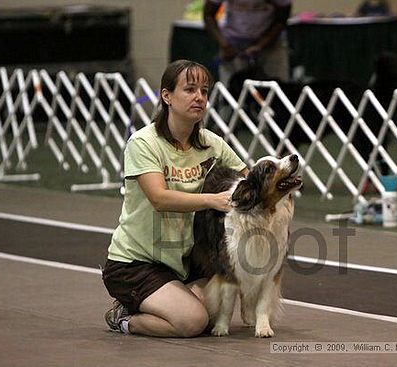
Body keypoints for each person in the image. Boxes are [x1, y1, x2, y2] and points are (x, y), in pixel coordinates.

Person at [102, 59, 248, 337]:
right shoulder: (144, 143)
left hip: (182, 261)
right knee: (192, 322)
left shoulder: (212, 144)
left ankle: (170, 299)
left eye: (204, 91)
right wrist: (213, 200)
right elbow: (159, 198)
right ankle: (124, 318)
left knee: (217, 308)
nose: (199, 98)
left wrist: (278, 191)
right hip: (135, 264)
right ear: (166, 96)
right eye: (190, 89)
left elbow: (250, 181)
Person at [203, 0, 292, 86]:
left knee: (277, 91)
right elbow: (208, 15)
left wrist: (260, 45)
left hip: (271, 45)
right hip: (232, 45)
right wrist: (225, 45)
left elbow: (282, 18)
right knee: (231, 93)